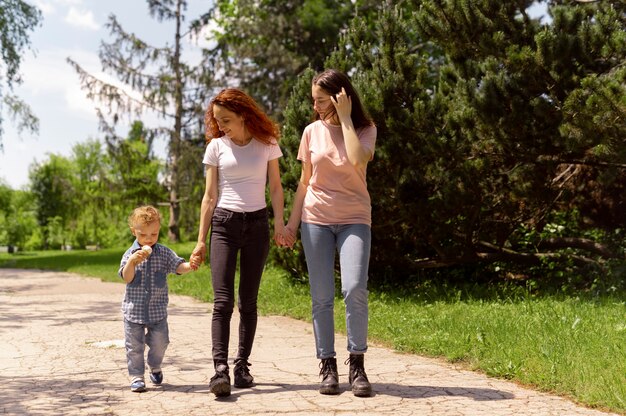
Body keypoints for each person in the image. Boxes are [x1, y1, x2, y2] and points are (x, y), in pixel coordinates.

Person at [283, 69, 377, 397]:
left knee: (354, 288)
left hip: (354, 218)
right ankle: (327, 365)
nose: (316, 106)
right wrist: (292, 224)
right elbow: (304, 181)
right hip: (316, 220)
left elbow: (357, 158)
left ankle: (357, 364)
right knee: (321, 297)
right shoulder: (311, 132)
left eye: (322, 100)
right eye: (314, 101)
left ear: (341, 96)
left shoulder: (366, 129)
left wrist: (346, 118)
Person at [191, 88, 285, 397]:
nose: (221, 127)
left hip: (257, 224)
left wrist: (280, 222)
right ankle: (220, 370)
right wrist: (200, 240)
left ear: (243, 114)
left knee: (248, 302)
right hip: (224, 225)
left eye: (226, 120)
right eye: (217, 121)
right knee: (222, 301)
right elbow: (209, 196)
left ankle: (242, 366)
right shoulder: (216, 147)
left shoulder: (267, 144)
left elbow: (275, 186)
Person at [119, 205, 197, 393]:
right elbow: (126, 277)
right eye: (143, 235)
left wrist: (190, 265)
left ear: (159, 230)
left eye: (154, 235)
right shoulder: (130, 255)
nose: (149, 239)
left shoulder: (163, 252)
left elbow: (178, 266)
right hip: (133, 311)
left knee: (160, 342)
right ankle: (137, 376)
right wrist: (132, 262)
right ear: (133, 232)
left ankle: (155, 365)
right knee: (134, 347)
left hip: (157, 311)